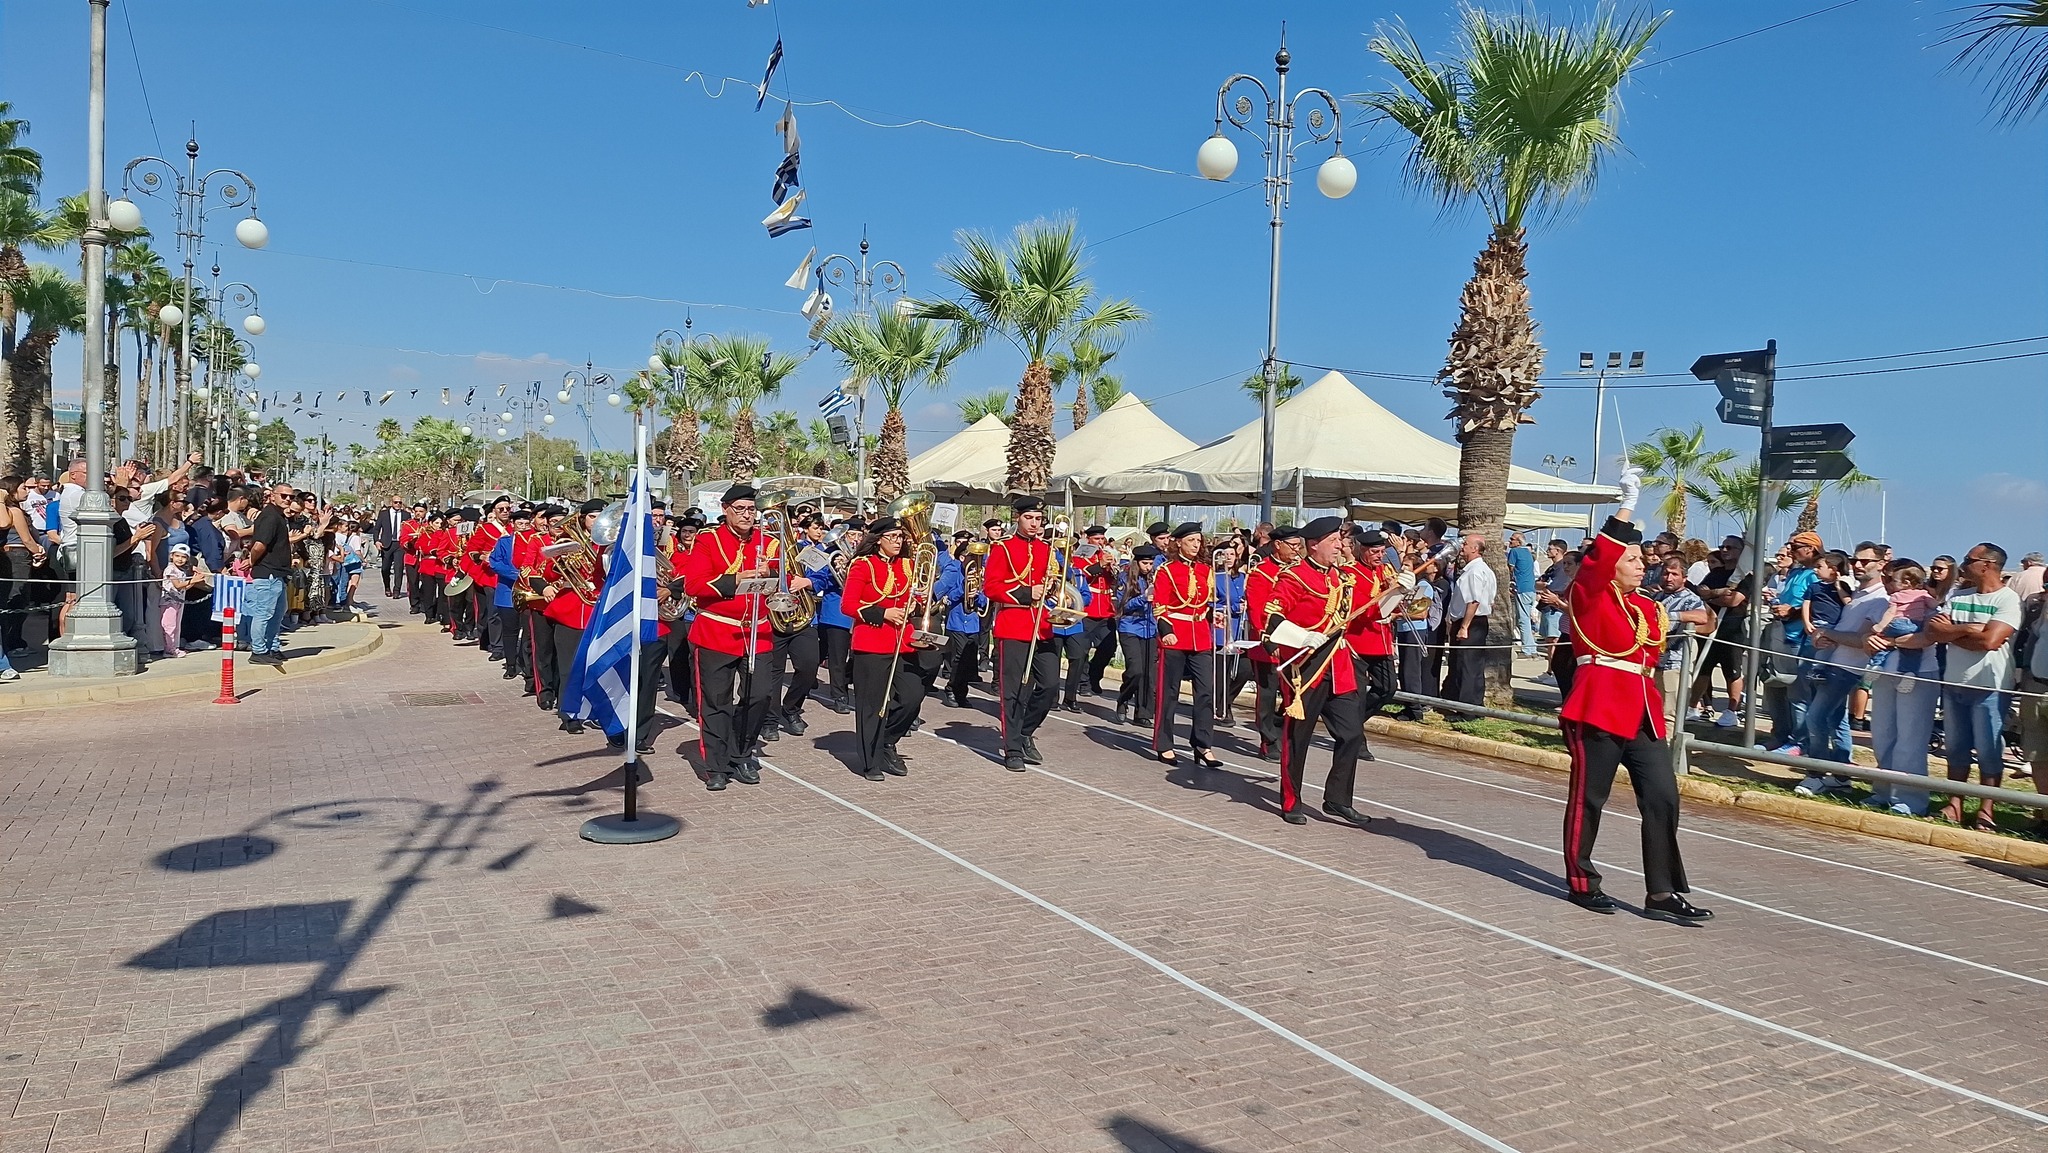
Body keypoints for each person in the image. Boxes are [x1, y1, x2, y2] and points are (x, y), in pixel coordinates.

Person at [1556, 467, 1708, 922]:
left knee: (1663, 797)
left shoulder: (1647, 605)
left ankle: (1661, 892)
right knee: (1590, 799)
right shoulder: (1591, 594)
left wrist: (1687, 619)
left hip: (1642, 710)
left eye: (1644, 559)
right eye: (1632, 559)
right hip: (1599, 705)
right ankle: (1582, 880)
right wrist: (1627, 505)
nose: (1643, 564)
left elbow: (1705, 621)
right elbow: (1598, 562)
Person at [682, 485, 805, 791]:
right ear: (725, 509)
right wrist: (738, 578)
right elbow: (694, 585)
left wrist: (780, 578)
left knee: (760, 696)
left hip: (758, 631)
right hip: (716, 631)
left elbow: (783, 579)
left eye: (752, 510)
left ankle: (741, 751)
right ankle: (717, 765)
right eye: (741, 509)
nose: (748, 515)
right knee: (715, 702)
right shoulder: (708, 539)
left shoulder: (768, 541)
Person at [1263, 517, 1370, 828]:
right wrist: (1301, 636)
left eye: (1340, 541)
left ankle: (1338, 798)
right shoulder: (1294, 577)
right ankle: (1291, 799)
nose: (1340, 546)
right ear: (1314, 544)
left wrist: (1396, 592)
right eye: (1334, 540)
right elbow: (1271, 619)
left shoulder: (1342, 579)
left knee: (1351, 734)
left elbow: (1370, 613)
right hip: (1306, 666)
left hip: (1338, 665)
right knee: (1298, 738)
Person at [1909, 542, 2022, 830]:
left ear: (1987, 565)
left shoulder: (2007, 600)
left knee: (1988, 749)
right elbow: (1933, 631)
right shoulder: (1959, 594)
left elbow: (1990, 642)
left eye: (1969, 559)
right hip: (1955, 682)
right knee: (1956, 748)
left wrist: (1951, 633)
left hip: (1990, 686)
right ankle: (1954, 804)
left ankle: (1987, 809)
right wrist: (1965, 630)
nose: (1964, 564)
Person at [842, 516, 926, 780]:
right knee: (871, 704)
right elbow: (848, 605)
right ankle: (870, 761)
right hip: (873, 641)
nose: (898, 542)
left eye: (901, 537)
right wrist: (883, 613)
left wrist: (917, 605)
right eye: (893, 537)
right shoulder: (863, 565)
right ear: (878, 540)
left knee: (913, 696)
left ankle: (887, 741)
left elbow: (918, 596)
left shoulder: (908, 565)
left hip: (904, 642)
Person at [983, 496, 1059, 772]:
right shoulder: (1002, 548)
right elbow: (991, 588)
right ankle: (1012, 747)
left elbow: (1054, 583)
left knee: (1050, 685)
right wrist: (1027, 593)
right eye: (1029, 518)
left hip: (1042, 625)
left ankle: (1025, 731)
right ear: (1018, 518)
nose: (1035, 524)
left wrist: (1052, 590)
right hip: (1013, 623)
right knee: (1013, 691)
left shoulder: (1047, 550)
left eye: (1039, 519)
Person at [1865, 559, 1939, 816]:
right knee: (1883, 733)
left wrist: (1892, 640)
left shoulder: (1925, 602)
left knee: (1910, 737)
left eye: (1889, 579)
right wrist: (1872, 640)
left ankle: (1910, 799)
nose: (1885, 584)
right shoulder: (1886, 604)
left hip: (1920, 674)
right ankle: (1883, 791)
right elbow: (1868, 636)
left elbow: (1925, 637)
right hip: (1886, 672)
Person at [1151, 523, 1220, 767]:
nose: (1196, 545)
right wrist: (1166, 631)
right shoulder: (1166, 571)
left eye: (1198, 541)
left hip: (1200, 634)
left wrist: (1214, 616)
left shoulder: (1204, 570)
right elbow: (1159, 605)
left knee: (1205, 691)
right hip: (1175, 634)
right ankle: (1164, 744)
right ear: (1178, 542)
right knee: (1169, 692)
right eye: (1191, 540)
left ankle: (1202, 744)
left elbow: (1206, 603)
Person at [1241, 526, 1299, 758]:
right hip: (1269, 641)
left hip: (1294, 641)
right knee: (1267, 692)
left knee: (1293, 693)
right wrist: (1266, 637)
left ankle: (1285, 733)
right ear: (1278, 545)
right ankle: (1268, 739)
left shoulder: (1298, 570)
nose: (1297, 550)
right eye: (1292, 546)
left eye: (1298, 546)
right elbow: (1256, 609)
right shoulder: (1262, 572)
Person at [1344, 529, 1402, 758]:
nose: (1380, 556)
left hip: (1381, 639)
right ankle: (1357, 738)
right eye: (1375, 552)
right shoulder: (1351, 573)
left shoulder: (1385, 570)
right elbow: (1361, 608)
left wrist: (1399, 592)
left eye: (1382, 551)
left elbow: (1395, 605)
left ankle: (1353, 723)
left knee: (1388, 688)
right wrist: (1388, 596)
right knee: (1356, 694)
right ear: (1363, 550)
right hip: (1358, 640)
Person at [1694, 536, 1753, 728]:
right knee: (1703, 668)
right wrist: (1717, 593)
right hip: (1710, 627)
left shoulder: (1746, 576)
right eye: (1723, 547)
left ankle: (1732, 711)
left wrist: (1712, 594)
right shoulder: (1716, 573)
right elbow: (1700, 593)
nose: (1725, 550)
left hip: (1732, 628)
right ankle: (1692, 706)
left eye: (1730, 547)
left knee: (1732, 671)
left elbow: (1734, 600)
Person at [1648, 558, 1712, 732]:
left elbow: (1702, 617)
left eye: (1674, 574)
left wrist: (1670, 616)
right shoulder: (1658, 596)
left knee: (1670, 714)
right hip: (1654, 662)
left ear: (1684, 578)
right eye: (1666, 573)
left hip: (1674, 662)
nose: (1669, 578)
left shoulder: (1690, 598)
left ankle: (1670, 753)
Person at [239, 483, 295, 666]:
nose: (287, 499)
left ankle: (271, 647)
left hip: (278, 574)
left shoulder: (278, 516)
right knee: (263, 613)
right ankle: (258, 650)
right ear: (272, 496)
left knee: (278, 613)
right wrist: (253, 561)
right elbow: (259, 545)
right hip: (267, 573)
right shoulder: (270, 517)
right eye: (284, 496)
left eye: (291, 497)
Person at [1444, 533, 1496, 706]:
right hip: (1476, 621)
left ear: (1475, 548)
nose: (1462, 547)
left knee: (1467, 665)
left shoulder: (1475, 572)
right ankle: (1469, 703)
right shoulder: (1484, 570)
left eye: (1465, 544)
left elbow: (1474, 601)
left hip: (1471, 622)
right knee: (1470, 665)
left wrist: (1464, 626)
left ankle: (1467, 708)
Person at [1115, 545, 1160, 727]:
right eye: (1145, 563)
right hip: (1130, 628)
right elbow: (1122, 606)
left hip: (1150, 628)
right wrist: (1143, 598)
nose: (1148, 567)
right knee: (1136, 670)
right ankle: (1123, 698)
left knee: (1149, 674)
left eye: (1151, 563)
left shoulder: (1154, 578)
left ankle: (1143, 713)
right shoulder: (1125, 578)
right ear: (1137, 562)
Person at [941, 532, 988, 708]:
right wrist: (964, 590)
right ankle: (951, 689)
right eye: (972, 557)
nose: (976, 561)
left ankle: (962, 693)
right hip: (957, 621)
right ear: (962, 557)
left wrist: (977, 596)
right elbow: (949, 597)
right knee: (958, 658)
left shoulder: (979, 576)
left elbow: (984, 602)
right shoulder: (954, 572)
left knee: (968, 660)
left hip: (973, 623)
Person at [1507, 531, 1538, 658]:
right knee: (1527, 619)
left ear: (1518, 542)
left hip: (1522, 588)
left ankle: (1527, 650)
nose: (1510, 541)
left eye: (1512, 539)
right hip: (1531, 588)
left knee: (1523, 620)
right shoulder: (1528, 553)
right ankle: (1532, 648)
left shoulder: (1514, 552)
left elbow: (1510, 568)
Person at [374, 497, 407, 598]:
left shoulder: (406, 515)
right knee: (385, 568)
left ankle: (397, 590)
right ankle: (387, 587)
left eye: (400, 502)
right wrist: (377, 541)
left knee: (399, 568)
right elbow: (376, 529)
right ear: (391, 503)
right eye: (395, 502)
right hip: (387, 544)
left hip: (399, 544)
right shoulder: (384, 514)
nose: (398, 504)